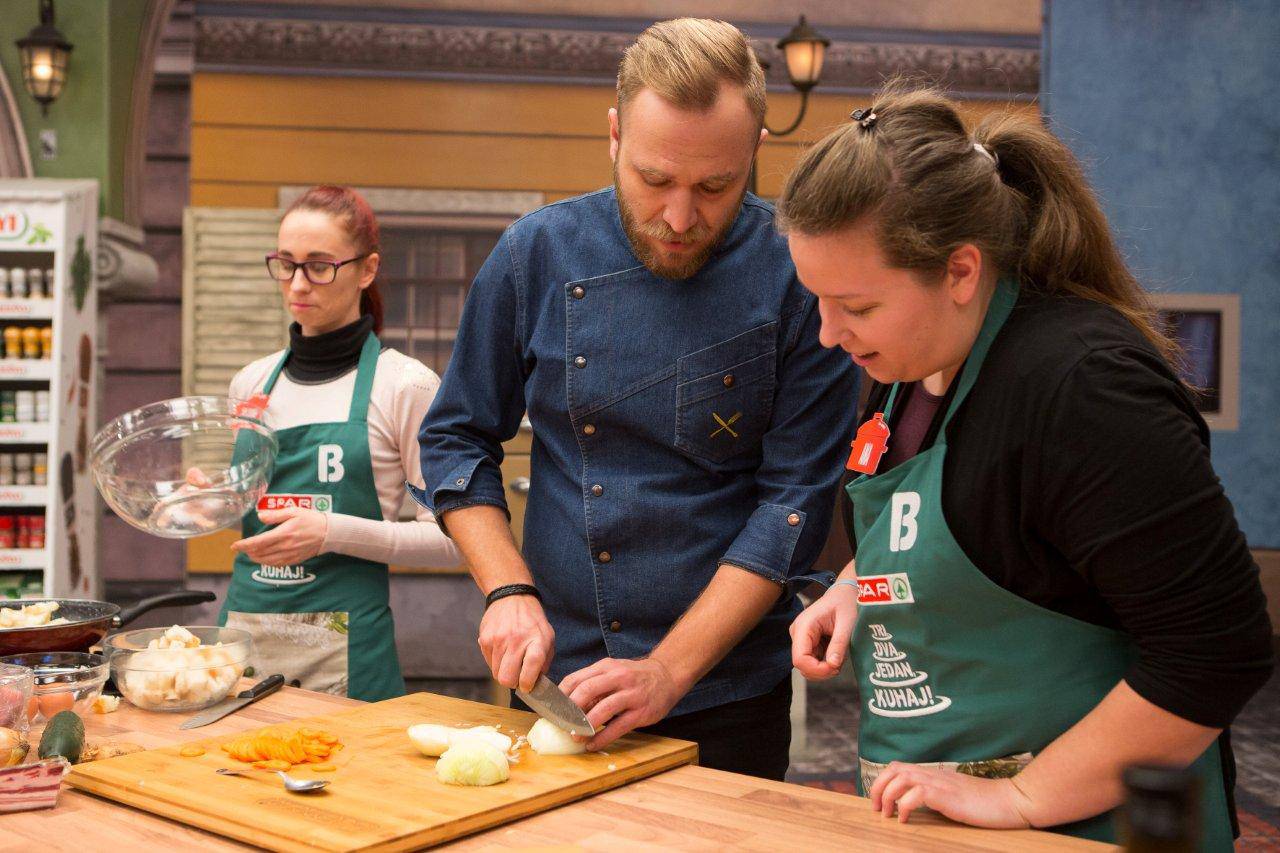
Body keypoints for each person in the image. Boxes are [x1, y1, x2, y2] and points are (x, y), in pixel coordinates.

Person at [781, 82, 1273, 847]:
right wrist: (858, 587)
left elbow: (1217, 650)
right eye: (817, 299)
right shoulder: (907, 365)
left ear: (961, 271)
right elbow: (983, 533)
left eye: (858, 305)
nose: (826, 333)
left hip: (1093, 825)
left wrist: (1024, 797)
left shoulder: (1083, 389)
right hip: (934, 814)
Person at [416, 18, 857, 779]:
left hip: (728, 698)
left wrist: (669, 670)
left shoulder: (797, 275)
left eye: (716, 188)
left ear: (753, 150)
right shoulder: (536, 253)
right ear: (615, 135)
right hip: (559, 682)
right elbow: (456, 438)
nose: (681, 218)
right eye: (655, 181)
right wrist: (507, 588)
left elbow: (795, 500)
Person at [220, 185, 461, 701]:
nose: (297, 284)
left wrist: (330, 531)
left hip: (347, 651)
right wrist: (210, 500)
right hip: (243, 639)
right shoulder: (250, 384)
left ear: (367, 269)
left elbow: (451, 538)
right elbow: (252, 505)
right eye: (286, 264)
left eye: (319, 266)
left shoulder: (404, 386)